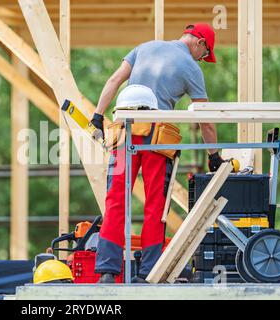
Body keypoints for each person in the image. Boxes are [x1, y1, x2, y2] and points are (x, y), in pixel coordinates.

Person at [90, 23, 225, 283]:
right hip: (157, 137)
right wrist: (213, 155)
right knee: (155, 206)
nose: (203, 59)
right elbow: (206, 119)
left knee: (116, 201)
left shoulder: (144, 48)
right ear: (199, 42)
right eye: (205, 53)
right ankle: (148, 273)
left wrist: (97, 115)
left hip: (124, 133)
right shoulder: (191, 68)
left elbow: (114, 80)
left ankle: (107, 271)